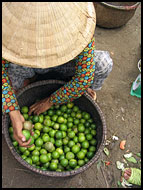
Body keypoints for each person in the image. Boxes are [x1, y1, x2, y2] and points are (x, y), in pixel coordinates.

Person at [2, 2, 113, 147]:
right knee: (10, 81)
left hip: (65, 63)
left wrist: (51, 101)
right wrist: (13, 110)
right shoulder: (8, 31)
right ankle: (29, 80)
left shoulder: (78, 25)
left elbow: (83, 77)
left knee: (103, 63)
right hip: (27, 63)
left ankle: (80, 89)